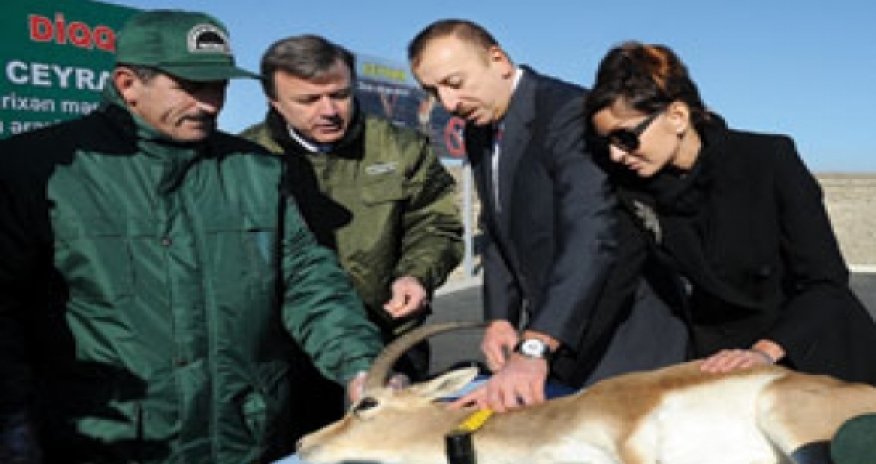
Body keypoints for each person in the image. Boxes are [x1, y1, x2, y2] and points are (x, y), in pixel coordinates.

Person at [0, 10, 384, 463]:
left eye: (218, 87)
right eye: (190, 86)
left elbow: (307, 280)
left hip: (246, 437)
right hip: (112, 443)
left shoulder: (256, 170)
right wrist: (12, 423)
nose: (209, 104)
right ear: (128, 84)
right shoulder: (40, 170)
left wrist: (361, 364)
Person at [408, 20, 688, 413]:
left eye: (455, 82)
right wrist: (500, 319)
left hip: (623, 333)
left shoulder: (568, 112)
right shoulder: (479, 131)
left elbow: (592, 233)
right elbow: (499, 231)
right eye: (433, 91)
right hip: (559, 336)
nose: (449, 103)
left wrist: (537, 342)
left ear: (498, 60)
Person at [584, 41, 876, 384]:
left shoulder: (767, 161)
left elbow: (825, 282)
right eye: (608, 143)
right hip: (729, 369)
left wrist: (765, 351)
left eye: (625, 138)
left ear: (677, 116)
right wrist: (543, 357)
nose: (617, 155)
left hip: (819, 359)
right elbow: (614, 284)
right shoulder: (635, 190)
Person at [240, 34, 463, 428]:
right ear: (274, 101)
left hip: (389, 344)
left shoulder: (400, 148)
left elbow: (436, 223)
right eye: (308, 100)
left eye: (340, 94)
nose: (329, 110)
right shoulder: (245, 162)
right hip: (288, 357)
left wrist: (416, 273)